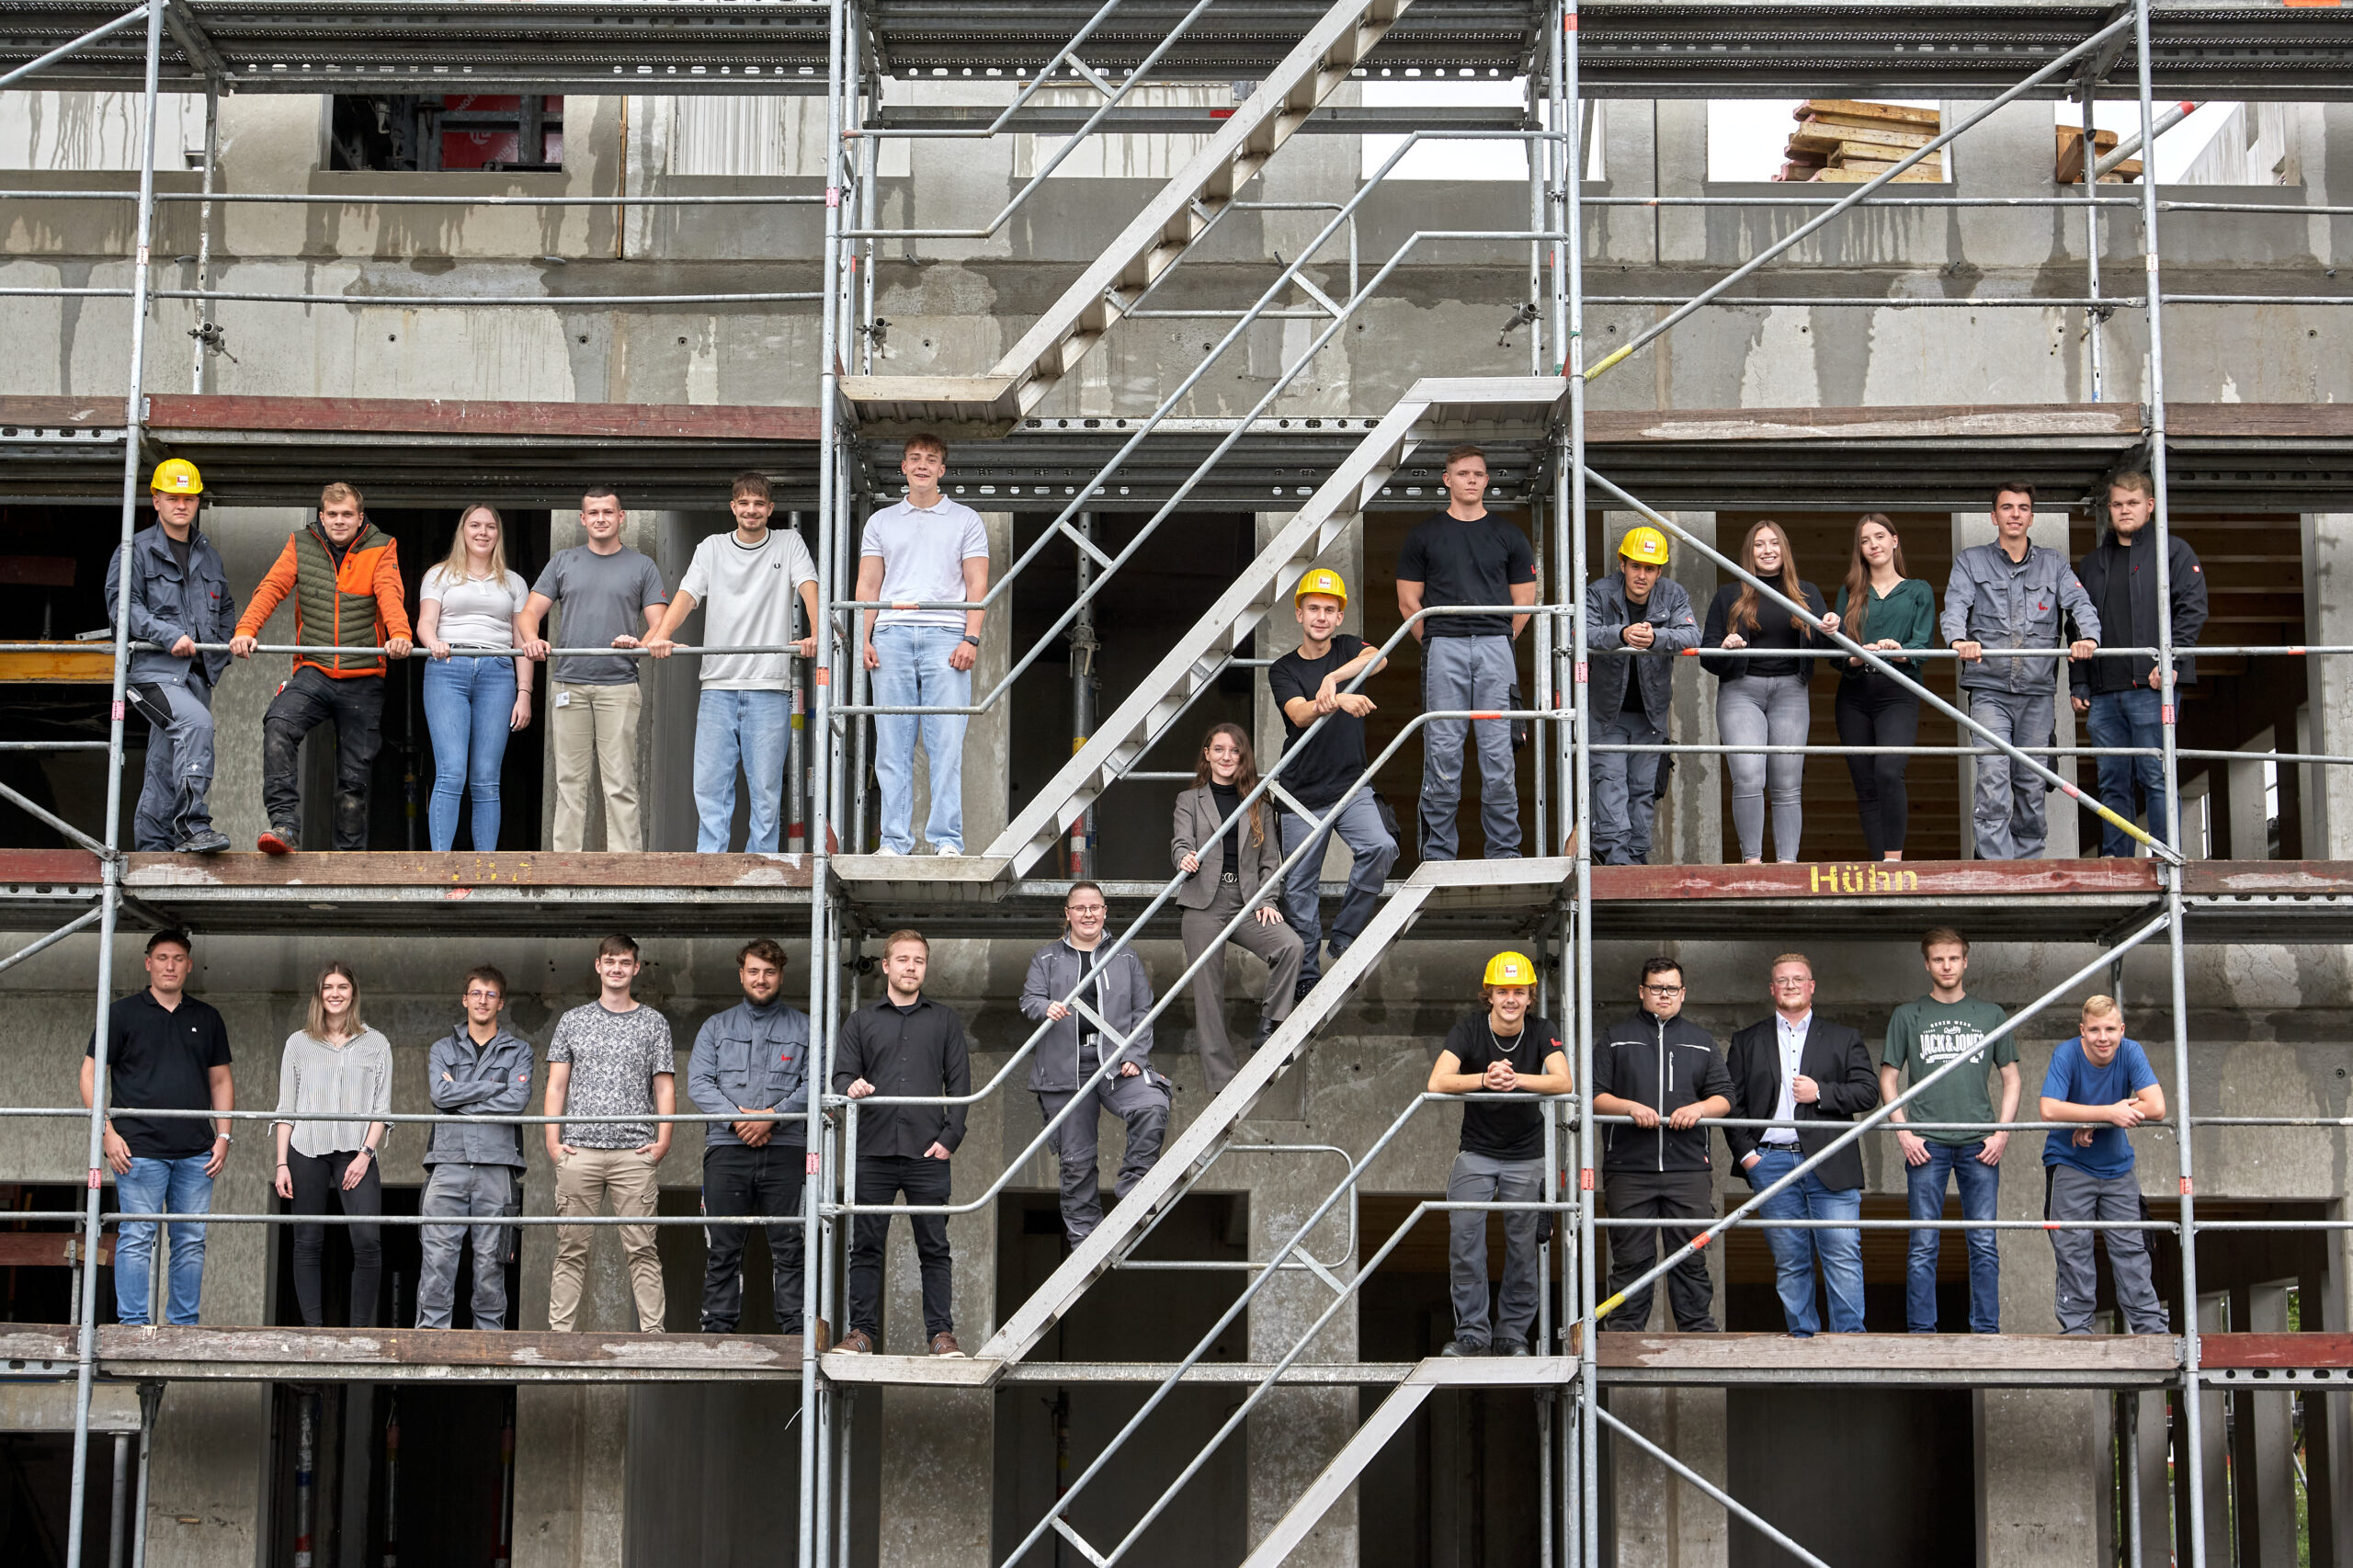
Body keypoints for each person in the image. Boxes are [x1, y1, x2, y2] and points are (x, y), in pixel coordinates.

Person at [627, 472, 820, 853]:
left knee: (766, 791)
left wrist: (817, 633)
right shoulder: (712, 547)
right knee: (710, 787)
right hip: (718, 686)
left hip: (769, 686)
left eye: (759, 504)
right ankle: (710, 864)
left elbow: (808, 585)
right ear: (733, 507)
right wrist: (661, 634)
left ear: (770, 509)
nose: (751, 510)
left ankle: (761, 867)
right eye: (744, 503)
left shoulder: (788, 543)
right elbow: (687, 594)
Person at [231, 482, 414, 853]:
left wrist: (400, 634)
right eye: (332, 514)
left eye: (347, 514)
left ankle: (348, 860)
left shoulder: (381, 545)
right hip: (313, 670)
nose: (339, 521)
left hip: (364, 675)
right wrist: (246, 629)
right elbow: (271, 588)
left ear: (360, 518)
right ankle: (284, 826)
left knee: (354, 779)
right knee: (279, 724)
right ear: (321, 517)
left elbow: (390, 593)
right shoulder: (301, 543)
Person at [1942, 480, 2101, 860]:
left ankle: (2028, 867)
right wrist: (1958, 640)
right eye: (2007, 507)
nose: (2015, 514)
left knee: (2031, 782)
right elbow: (1955, 606)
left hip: (2036, 692)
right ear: (1993, 516)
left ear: (2031, 517)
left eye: (2023, 508)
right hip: (1989, 690)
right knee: (1993, 776)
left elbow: (2080, 603)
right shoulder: (1970, 561)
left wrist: (2089, 638)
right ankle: (1996, 868)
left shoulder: (2054, 563)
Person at [80, 929, 232, 1326]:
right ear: (148, 963)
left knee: (191, 1241)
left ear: (189, 965)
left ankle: (183, 1328)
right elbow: (90, 1074)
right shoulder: (121, 1013)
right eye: (162, 958)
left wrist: (224, 1135)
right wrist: (107, 1132)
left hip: (197, 1152)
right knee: (136, 1238)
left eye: (178, 959)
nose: (170, 966)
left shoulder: (207, 1017)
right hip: (137, 1150)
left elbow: (220, 1081)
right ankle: (132, 1328)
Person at [1395, 444, 1539, 861]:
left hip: (1496, 647)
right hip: (1444, 647)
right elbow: (1408, 602)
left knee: (1499, 754)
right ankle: (1439, 856)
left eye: (1478, 474)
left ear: (1487, 480)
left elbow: (1525, 601)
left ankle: (1505, 854)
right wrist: (1437, 640)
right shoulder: (1424, 535)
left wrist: (1498, 639)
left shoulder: (1508, 534)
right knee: (1442, 752)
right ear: (1447, 480)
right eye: (1462, 473)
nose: (1471, 480)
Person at [1723, 954, 1877, 1336]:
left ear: (1812, 986)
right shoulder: (1747, 1040)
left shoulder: (1843, 1037)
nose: (1790, 985)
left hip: (1830, 1160)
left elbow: (1868, 1092)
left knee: (1842, 1255)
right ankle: (1803, 1339)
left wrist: (1821, 1092)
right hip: (1770, 1163)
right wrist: (1748, 1156)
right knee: (1791, 1260)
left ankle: (1849, 1343)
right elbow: (1731, 1103)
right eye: (1782, 980)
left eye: (1798, 979)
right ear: (1771, 989)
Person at [834, 931, 972, 1356]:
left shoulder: (944, 1020)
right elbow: (840, 1076)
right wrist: (851, 1086)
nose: (911, 967)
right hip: (871, 1150)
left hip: (927, 1151)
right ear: (886, 965)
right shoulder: (861, 1021)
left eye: (919, 961)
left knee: (934, 1247)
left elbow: (961, 1083)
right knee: (865, 1247)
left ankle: (941, 1336)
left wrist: (950, 1138)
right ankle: (861, 1334)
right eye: (903, 959)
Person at [1427, 951, 1571, 1357]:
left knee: (1524, 1249)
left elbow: (1563, 1081)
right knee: (1465, 1243)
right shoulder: (1469, 1029)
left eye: (1519, 992)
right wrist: (1485, 1079)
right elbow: (1438, 1081)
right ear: (1488, 994)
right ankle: (1473, 1335)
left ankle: (1511, 1337)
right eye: (1503, 991)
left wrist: (1516, 1079)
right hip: (1477, 1152)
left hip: (1527, 1155)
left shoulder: (1542, 1030)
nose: (1511, 999)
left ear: (1530, 997)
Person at [857, 435, 990, 857]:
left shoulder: (965, 519)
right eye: (914, 458)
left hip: (946, 635)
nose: (922, 465)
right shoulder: (881, 521)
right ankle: (894, 841)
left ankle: (946, 840)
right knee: (891, 745)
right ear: (903, 467)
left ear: (942, 470)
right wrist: (864, 638)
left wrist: (971, 636)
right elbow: (868, 584)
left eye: (931, 460)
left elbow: (978, 584)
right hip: (892, 635)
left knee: (945, 743)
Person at [1881, 927, 2019, 1335]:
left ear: (1965, 962)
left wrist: (2001, 1133)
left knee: (1984, 1242)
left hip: (1980, 1144)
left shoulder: (1990, 1014)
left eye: (1953, 958)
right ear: (1927, 964)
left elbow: (2012, 1078)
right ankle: (1922, 1332)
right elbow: (1888, 1079)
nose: (1946, 966)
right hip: (1926, 1144)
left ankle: (1986, 1330)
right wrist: (1903, 1133)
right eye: (1938, 959)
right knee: (1924, 1242)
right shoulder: (1908, 1015)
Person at [1267, 569, 1396, 1001]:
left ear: (1339, 617)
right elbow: (1299, 714)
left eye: (1329, 610)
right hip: (1300, 792)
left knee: (1381, 846)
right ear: (1299, 614)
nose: (1321, 617)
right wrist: (1337, 700)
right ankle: (1306, 974)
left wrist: (1333, 679)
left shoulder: (1346, 647)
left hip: (1350, 786)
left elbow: (1380, 658)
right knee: (1299, 888)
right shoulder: (1283, 668)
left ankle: (1344, 936)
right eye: (1313, 609)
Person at [517, 485, 669, 852]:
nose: (601, 519)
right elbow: (528, 613)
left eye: (608, 512)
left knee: (620, 783)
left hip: (619, 686)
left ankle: (626, 869)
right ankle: (564, 867)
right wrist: (532, 639)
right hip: (568, 684)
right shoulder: (563, 561)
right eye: (594, 513)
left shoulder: (642, 566)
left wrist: (639, 643)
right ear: (583, 519)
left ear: (621, 517)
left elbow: (660, 626)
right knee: (569, 783)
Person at [1019, 882, 1170, 1247]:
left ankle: (1135, 1188)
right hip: (1063, 1069)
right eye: (1080, 908)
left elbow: (1143, 1011)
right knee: (1077, 1160)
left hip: (1116, 1063)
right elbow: (1029, 999)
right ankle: (1085, 1239)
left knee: (1153, 1105)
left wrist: (1135, 1055)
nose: (1088, 914)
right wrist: (1045, 1008)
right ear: (1067, 913)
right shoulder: (1046, 958)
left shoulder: (1125, 956)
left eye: (1095, 907)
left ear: (1105, 911)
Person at [2071, 473, 2209, 858]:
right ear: (2109, 509)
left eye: (2132, 503)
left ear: (2150, 505)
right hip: (2103, 692)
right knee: (2111, 782)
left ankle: (2166, 857)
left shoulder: (2174, 552)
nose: (2124, 511)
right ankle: (2117, 861)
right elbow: (2076, 626)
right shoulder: (2092, 564)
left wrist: (2172, 660)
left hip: (2152, 686)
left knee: (2156, 776)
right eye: (2117, 504)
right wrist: (2080, 682)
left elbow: (2193, 609)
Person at [1590, 958, 1731, 1333]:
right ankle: (1625, 1334)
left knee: (1691, 1256)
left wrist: (1699, 1109)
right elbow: (1594, 1096)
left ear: (1683, 993)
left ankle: (1697, 1332)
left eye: (1671, 988)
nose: (1664, 995)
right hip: (1628, 1168)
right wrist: (1629, 1107)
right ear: (1642, 991)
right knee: (1630, 1258)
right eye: (1656, 987)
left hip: (1688, 1168)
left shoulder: (1702, 1042)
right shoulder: (1615, 1037)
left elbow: (1725, 1097)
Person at [544, 934, 676, 1335]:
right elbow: (556, 1086)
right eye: (610, 961)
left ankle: (653, 1335)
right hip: (578, 1151)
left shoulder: (654, 1023)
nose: (617, 968)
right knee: (570, 1248)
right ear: (598, 966)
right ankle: (559, 1336)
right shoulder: (573, 1020)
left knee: (642, 1249)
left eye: (624, 962)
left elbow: (664, 1088)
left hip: (634, 1152)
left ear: (636, 968)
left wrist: (663, 1141)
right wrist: (553, 1142)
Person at [109, 458, 235, 854]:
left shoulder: (208, 554)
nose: (182, 505)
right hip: (153, 673)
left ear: (197, 502)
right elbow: (124, 609)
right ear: (156, 500)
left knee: (164, 763)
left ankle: (152, 848)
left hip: (196, 676)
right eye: (173, 497)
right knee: (196, 725)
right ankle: (192, 826)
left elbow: (226, 607)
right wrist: (169, 636)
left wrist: (221, 651)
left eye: (189, 498)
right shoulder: (135, 550)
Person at [688, 937, 812, 1335]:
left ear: (781, 976)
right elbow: (699, 1084)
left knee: (789, 1244)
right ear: (741, 975)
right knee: (723, 1245)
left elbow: (815, 1084)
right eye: (754, 971)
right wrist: (739, 1121)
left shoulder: (806, 1027)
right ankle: (717, 1329)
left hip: (787, 1149)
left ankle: (797, 1331)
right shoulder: (716, 1027)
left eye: (769, 972)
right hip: (727, 1149)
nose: (761, 979)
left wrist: (772, 1118)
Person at [1172, 723, 1303, 1094]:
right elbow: (1180, 842)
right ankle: (1222, 1083)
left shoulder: (1259, 801)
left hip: (1247, 901)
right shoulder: (1189, 800)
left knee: (1290, 946)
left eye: (1234, 750)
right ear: (1207, 755)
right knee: (1208, 994)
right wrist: (1184, 858)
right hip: (1203, 902)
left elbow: (1270, 861)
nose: (1226, 757)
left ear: (1243, 756)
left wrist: (1267, 899)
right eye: (1219, 749)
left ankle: (1270, 1025)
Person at [1699, 521, 1839, 864]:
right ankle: (1752, 863)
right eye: (1759, 544)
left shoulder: (1807, 593)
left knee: (1787, 783)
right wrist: (1725, 647)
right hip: (1741, 692)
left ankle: (1787, 866)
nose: (1767, 550)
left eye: (1774, 543)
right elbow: (1707, 655)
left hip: (1791, 692)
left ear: (1784, 550)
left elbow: (1827, 649)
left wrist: (1833, 629)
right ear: (1749, 553)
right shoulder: (1729, 595)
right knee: (1748, 776)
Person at [270, 961, 392, 1327]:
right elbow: (286, 1108)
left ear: (353, 993)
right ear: (318, 994)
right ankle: (314, 1331)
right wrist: (281, 1163)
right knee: (307, 1240)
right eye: (328, 987)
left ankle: (359, 1331)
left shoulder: (376, 1043)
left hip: (357, 1151)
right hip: (306, 1149)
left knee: (367, 1239)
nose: (335, 994)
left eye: (342, 987)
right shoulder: (298, 1043)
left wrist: (365, 1155)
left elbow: (382, 1109)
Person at [2040, 995, 2168, 1335]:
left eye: (2110, 1029)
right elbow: (2049, 1109)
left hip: (2117, 1169)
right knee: (2073, 1249)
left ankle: (2150, 1330)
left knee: (2132, 1250)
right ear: (2082, 1031)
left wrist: (2096, 1120)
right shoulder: (2066, 1054)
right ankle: (2078, 1331)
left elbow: (2157, 1106)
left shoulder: (2131, 1051)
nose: (2103, 1037)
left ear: (2121, 1029)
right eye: (2094, 1030)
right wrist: (2107, 1113)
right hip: (2069, 1163)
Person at [417, 965, 533, 1331]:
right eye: (477, 994)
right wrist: (492, 1087)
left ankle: (490, 1341)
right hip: (447, 1163)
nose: (483, 1000)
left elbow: (517, 1101)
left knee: (490, 1263)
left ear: (501, 1003)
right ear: (465, 1000)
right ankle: (431, 1338)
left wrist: (460, 1095)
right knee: (438, 1259)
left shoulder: (520, 1050)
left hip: (497, 1166)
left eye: (491, 994)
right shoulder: (442, 1048)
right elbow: (440, 1095)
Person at [416, 503, 532, 852]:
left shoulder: (514, 582)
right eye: (475, 525)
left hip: (498, 672)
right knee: (451, 772)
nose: (483, 532)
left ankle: (486, 867)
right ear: (463, 532)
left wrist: (524, 692)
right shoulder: (439, 574)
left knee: (486, 779)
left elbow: (522, 640)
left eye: (490, 527)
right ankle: (440, 865)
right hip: (448, 668)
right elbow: (425, 622)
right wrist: (433, 642)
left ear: (499, 534)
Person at [1583, 528, 1699, 866]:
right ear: (1622, 564)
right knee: (1610, 785)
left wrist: (1656, 639)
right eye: (1636, 566)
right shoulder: (1599, 593)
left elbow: (1692, 635)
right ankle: (1616, 861)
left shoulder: (1673, 594)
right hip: (1607, 714)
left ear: (1659, 571)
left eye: (1650, 568)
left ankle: (1635, 861)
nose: (1642, 575)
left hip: (1651, 715)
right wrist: (1621, 634)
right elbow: (1580, 633)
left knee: (1643, 789)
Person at [1834, 514, 1938, 860]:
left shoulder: (1918, 589)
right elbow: (1835, 649)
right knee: (1865, 783)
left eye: (1879, 536)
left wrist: (1899, 651)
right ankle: (1879, 865)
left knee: (1889, 771)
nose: (1873, 545)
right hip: (1854, 694)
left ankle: (1893, 862)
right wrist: (1855, 657)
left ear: (1895, 540)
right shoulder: (1849, 591)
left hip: (1898, 690)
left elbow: (1923, 645)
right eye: (1865, 540)